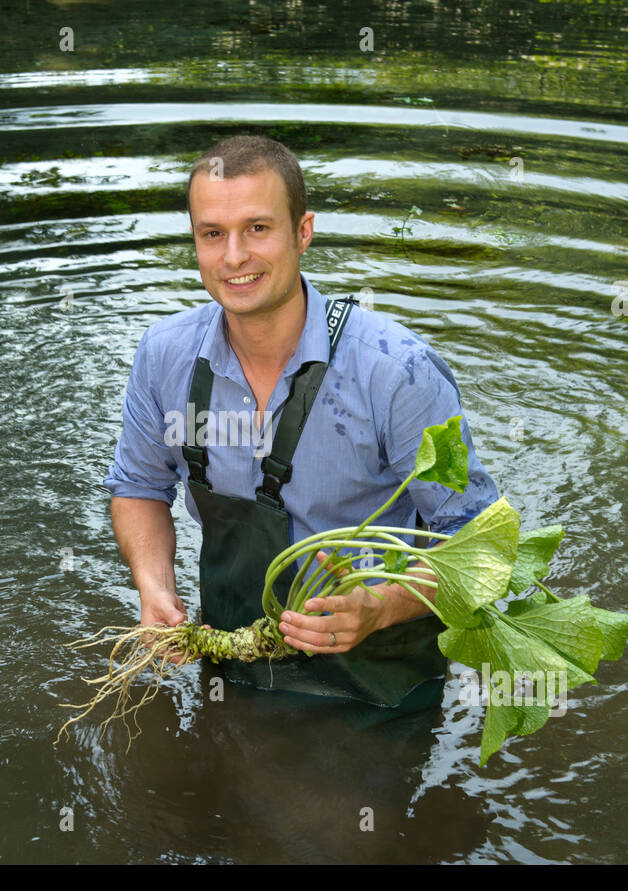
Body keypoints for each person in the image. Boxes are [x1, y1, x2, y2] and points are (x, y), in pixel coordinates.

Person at [103, 134, 499, 711]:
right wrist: (155, 587)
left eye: (258, 229)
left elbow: (482, 544)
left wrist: (381, 606)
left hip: (377, 683)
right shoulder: (165, 357)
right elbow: (139, 487)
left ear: (304, 231)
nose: (233, 256)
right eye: (213, 234)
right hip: (232, 663)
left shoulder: (396, 372)